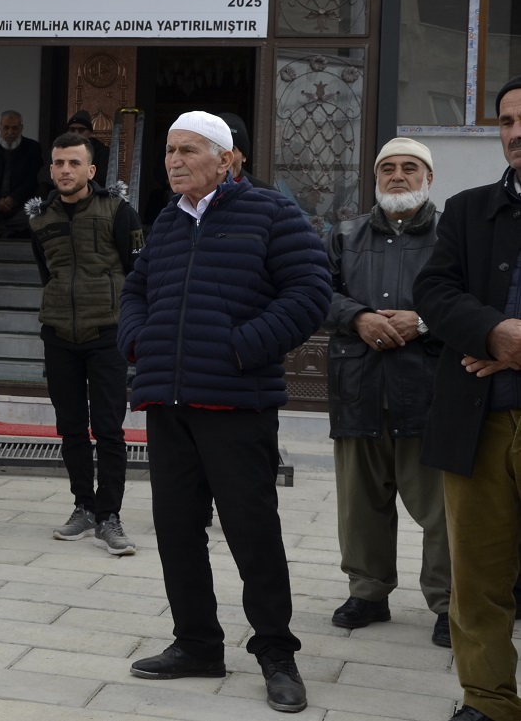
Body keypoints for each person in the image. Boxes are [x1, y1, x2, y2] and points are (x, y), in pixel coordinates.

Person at [118, 111, 330, 714]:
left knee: (252, 533)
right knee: (177, 530)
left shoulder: (271, 213)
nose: (174, 161)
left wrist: (243, 346)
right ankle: (197, 645)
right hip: (169, 403)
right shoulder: (165, 221)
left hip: (237, 404)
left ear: (227, 158)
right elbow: (135, 290)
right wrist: (138, 341)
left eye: (188, 150)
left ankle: (276, 654)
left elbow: (311, 291)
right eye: (169, 151)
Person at [414, 73, 521, 721]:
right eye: (507, 121)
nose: (515, 134)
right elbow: (434, 292)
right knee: (477, 579)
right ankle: (488, 700)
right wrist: (492, 331)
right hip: (477, 422)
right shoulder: (467, 209)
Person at [325, 138, 450, 647]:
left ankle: (448, 603)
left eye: (410, 168)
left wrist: (424, 320)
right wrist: (357, 317)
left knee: (443, 509)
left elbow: (473, 297)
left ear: (429, 178)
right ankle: (368, 591)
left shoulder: (453, 235)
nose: (398, 177)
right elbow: (314, 291)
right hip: (359, 386)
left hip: (429, 391)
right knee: (360, 502)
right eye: (388, 169)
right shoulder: (346, 234)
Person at [26, 132, 143, 557]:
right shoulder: (39, 218)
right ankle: (84, 506)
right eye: (58, 163)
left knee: (109, 429)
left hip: (106, 334)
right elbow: (48, 273)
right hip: (58, 335)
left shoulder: (118, 211)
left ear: (91, 170)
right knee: (71, 428)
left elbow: (138, 270)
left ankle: (110, 516)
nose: (65, 171)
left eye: (74, 163)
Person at [0, 110, 44, 238]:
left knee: (35, 216)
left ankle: (0, 231)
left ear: (21, 128)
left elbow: (33, 179)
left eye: (15, 128)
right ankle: (10, 233)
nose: (10, 132)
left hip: (20, 206)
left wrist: (14, 199)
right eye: (6, 127)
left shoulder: (33, 148)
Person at [217, 112, 272, 189]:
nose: (225, 157)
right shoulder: (197, 191)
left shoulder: (266, 194)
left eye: (232, 149)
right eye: (219, 148)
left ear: (244, 156)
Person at [65, 109, 112, 182]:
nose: (76, 133)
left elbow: (103, 177)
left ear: (90, 133)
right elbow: (46, 175)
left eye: (81, 130)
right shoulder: (60, 148)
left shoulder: (101, 151)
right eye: (72, 129)